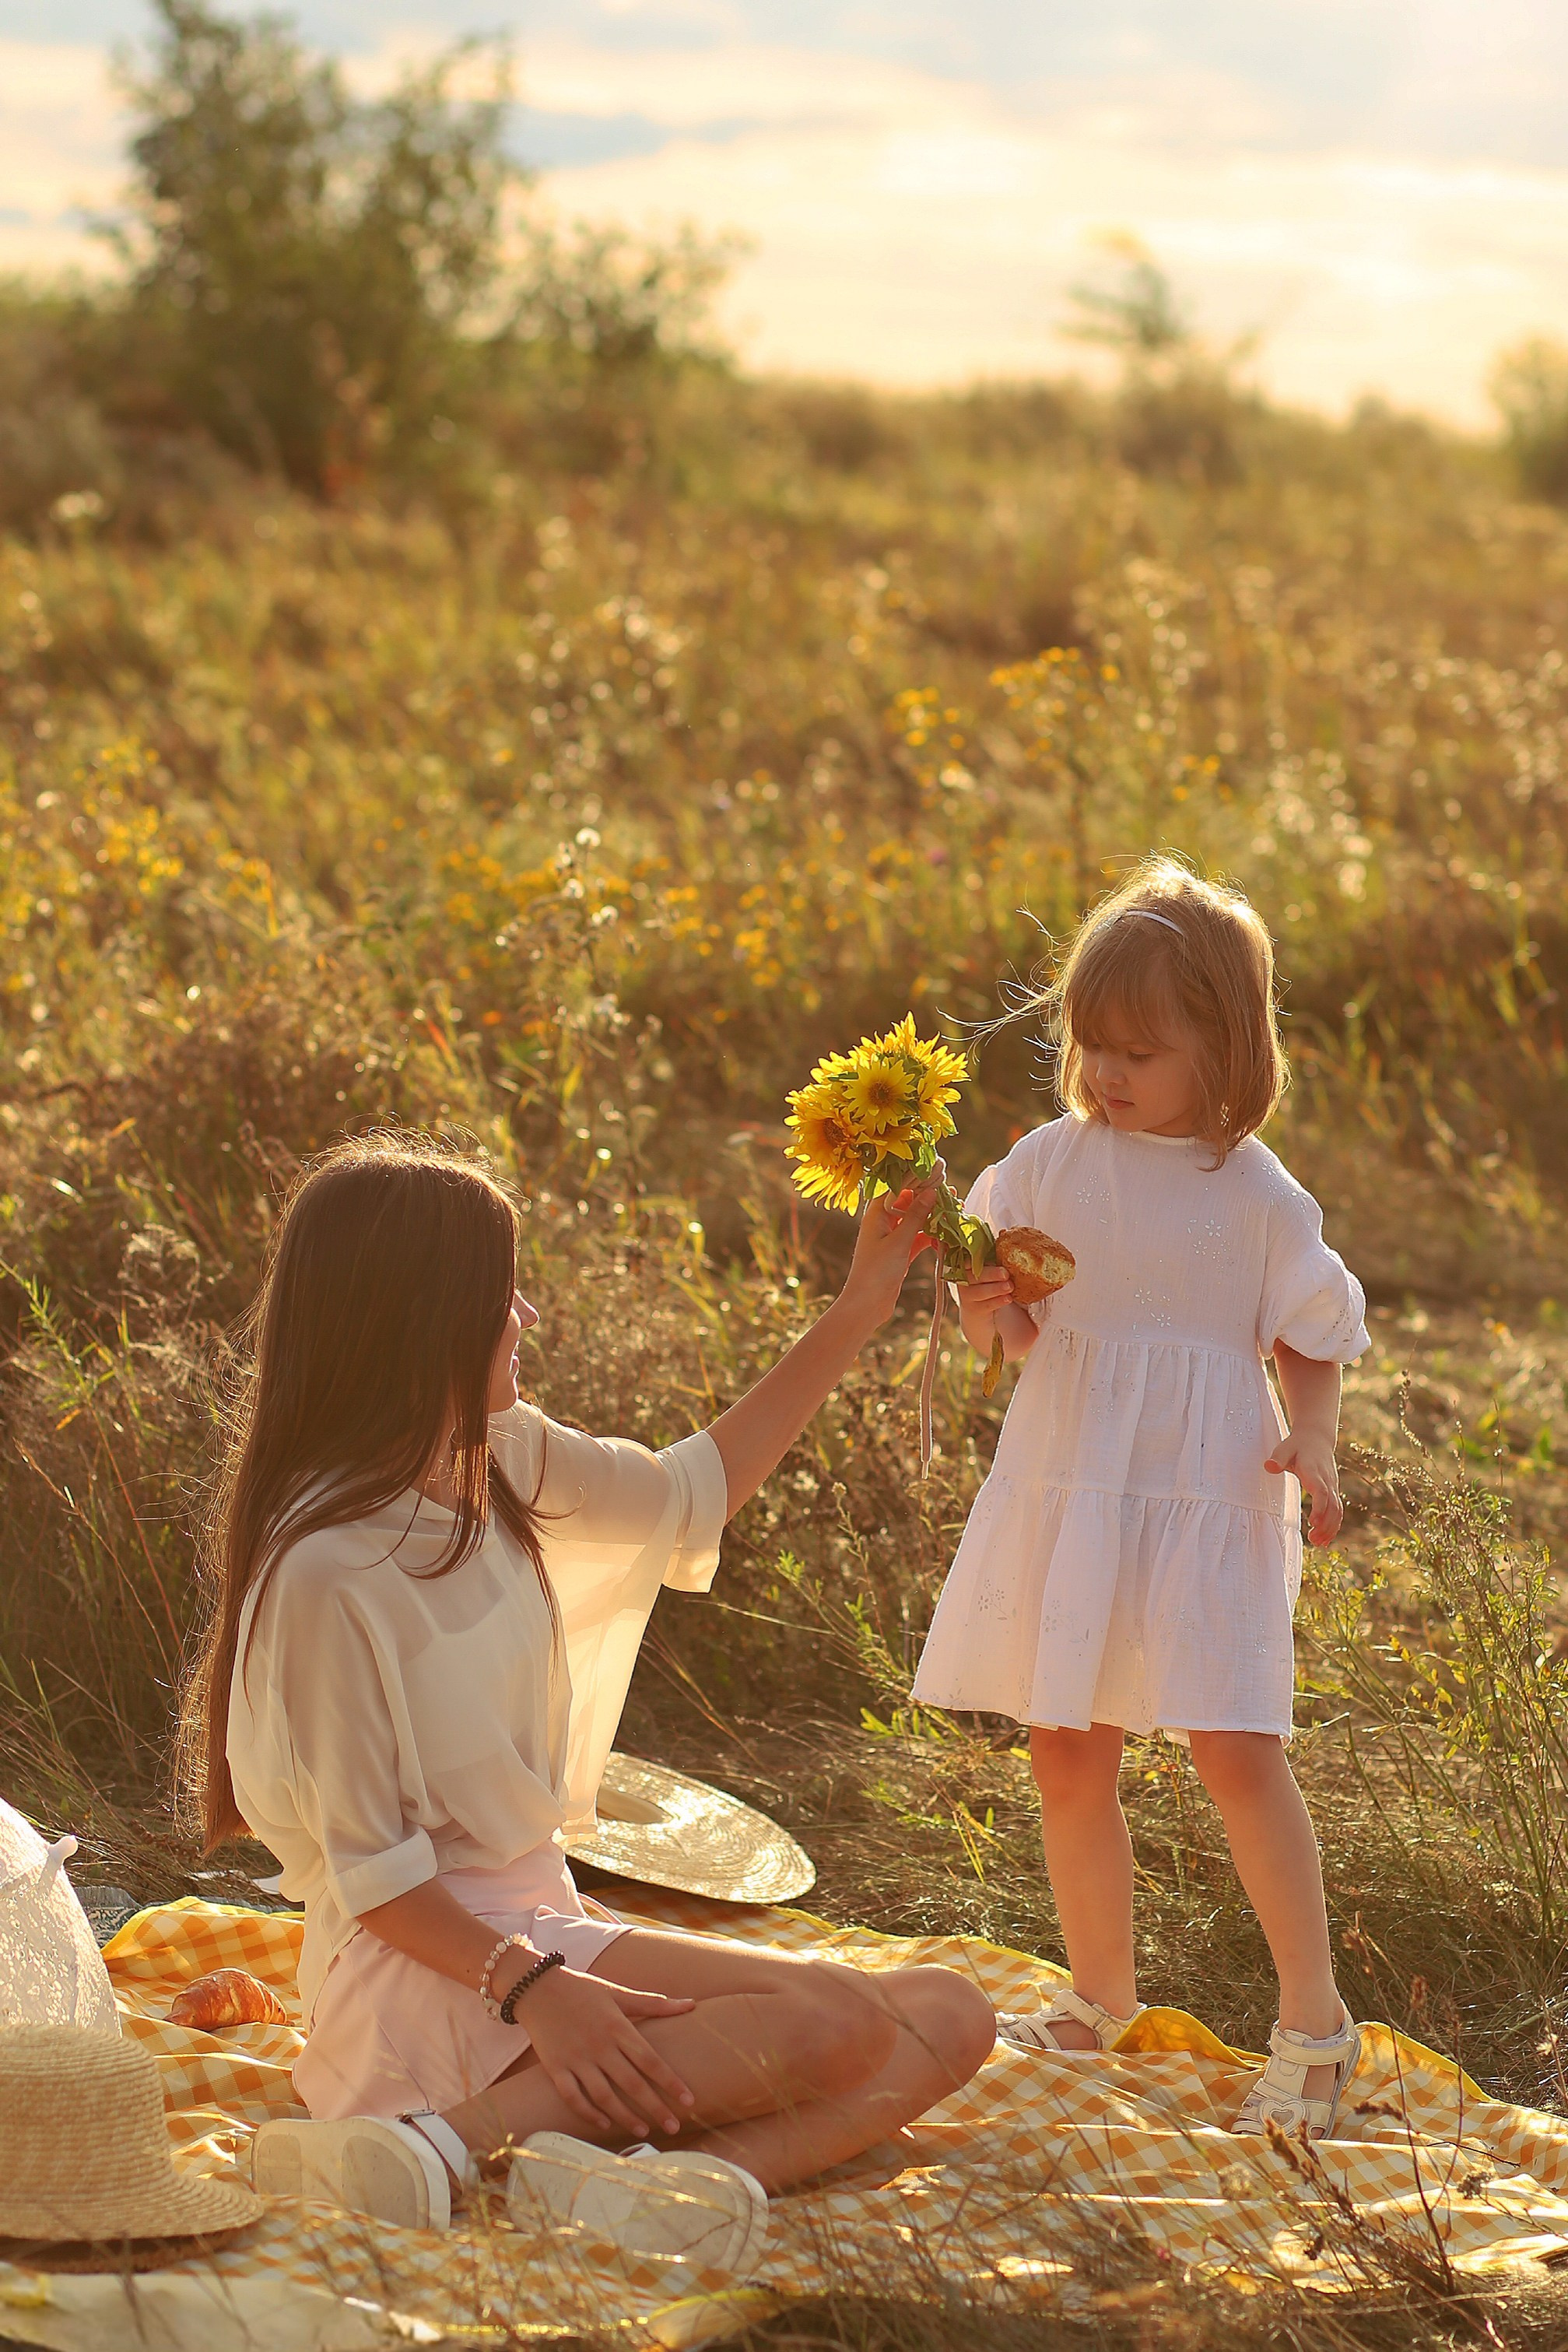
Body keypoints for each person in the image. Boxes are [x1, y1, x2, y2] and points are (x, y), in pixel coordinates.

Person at [179, 1132, 992, 2265]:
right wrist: (537, 1990)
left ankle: (659, 2184)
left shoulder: (499, 1455)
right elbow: (377, 1881)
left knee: (958, 2014)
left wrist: (863, 1302)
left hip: (541, 1923)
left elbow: (692, 1489)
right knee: (837, 2025)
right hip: (432, 1963)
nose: (525, 1315)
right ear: (420, 1320)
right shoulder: (324, 1569)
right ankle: (444, 2142)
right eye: (498, 1292)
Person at [911, 858, 1369, 2140]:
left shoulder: (1260, 1194)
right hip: (1077, 1481)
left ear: (1226, 1046)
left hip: (1206, 1486)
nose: (1108, 1072)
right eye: (1090, 1044)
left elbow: (1311, 1335)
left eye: (1141, 1051)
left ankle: (1314, 2021)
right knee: (1066, 1746)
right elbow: (1010, 1327)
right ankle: (1098, 1995)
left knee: (1233, 1746)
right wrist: (984, 1304)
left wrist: (1316, 1443)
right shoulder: (1050, 1165)